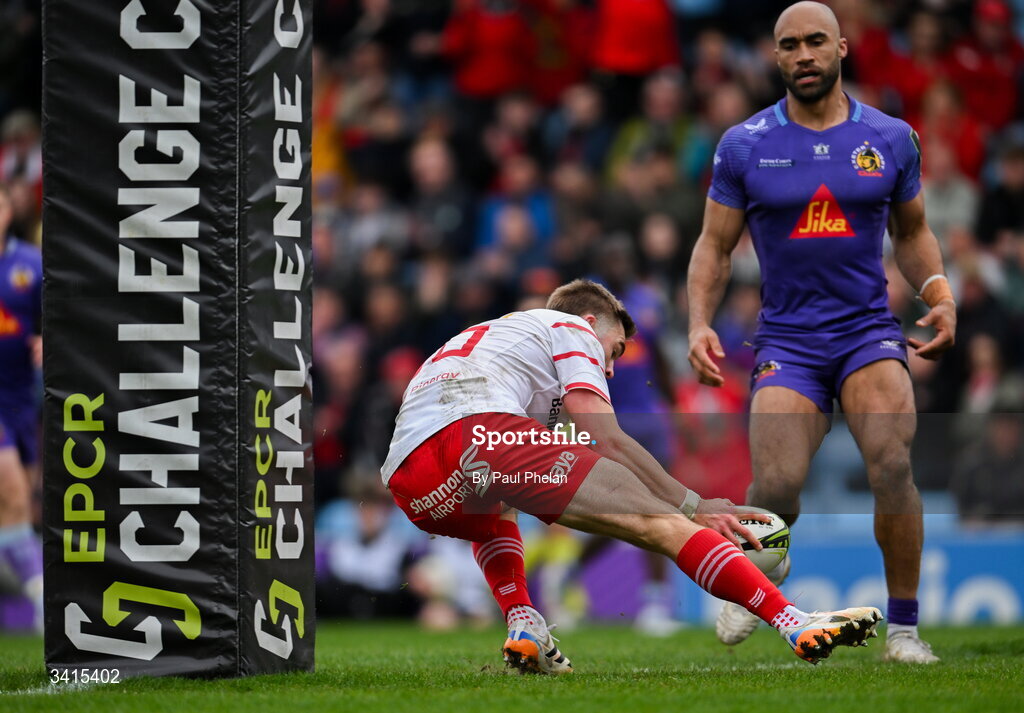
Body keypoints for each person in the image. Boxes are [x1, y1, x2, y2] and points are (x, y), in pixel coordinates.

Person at [382, 278, 882, 674]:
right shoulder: (570, 328)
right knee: (661, 522)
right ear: (591, 320)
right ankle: (794, 622)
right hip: (481, 432)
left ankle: (523, 620)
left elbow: (525, 453)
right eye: (616, 351)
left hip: (412, 480)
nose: (615, 369)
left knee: (495, 509)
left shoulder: (497, 339)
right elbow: (607, 437)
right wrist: (692, 503)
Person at [687, 2, 956, 664]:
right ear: (775, 58)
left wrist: (940, 293)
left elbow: (913, 232)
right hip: (787, 342)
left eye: (815, 41)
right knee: (776, 488)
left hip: (868, 332)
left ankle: (903, 632)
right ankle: (756, 566)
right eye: (789, 45)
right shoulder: (744, 144)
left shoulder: (892, 137)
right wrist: (696, 323)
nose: (803, 54)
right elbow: (714, 247)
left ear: (841, 48)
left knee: (893, 462)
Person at [0, 181, 43, 631]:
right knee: (10, 489)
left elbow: (58, 316)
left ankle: (31, 592)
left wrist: (46, 339)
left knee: (19, 502)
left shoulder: (29, 266)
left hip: (20, 400)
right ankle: (41, 599)